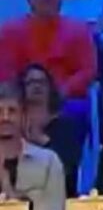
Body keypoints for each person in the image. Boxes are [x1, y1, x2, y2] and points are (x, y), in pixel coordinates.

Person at [0, 0, 97, 100]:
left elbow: (87, 70)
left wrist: (64, 90)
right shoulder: (11, 31)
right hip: (22, 98)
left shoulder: (79, 30)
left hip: (66, 98)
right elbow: (6, 70)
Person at [17, 64, 83, 196]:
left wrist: (41, 139)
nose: (37, 86)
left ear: (50, 88)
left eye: (41, 82)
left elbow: (68, 169)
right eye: (31, 82)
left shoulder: (66, 126)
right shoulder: (15, 125)